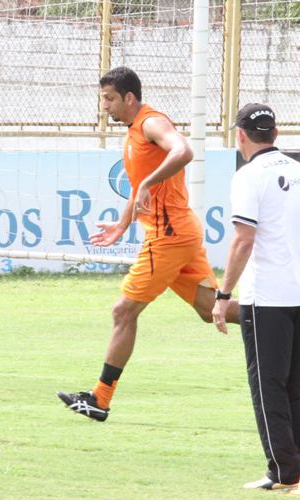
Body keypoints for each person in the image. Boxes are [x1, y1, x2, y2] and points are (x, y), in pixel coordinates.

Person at [56, 66, 240, 421]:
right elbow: (142, 186)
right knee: (209, 310)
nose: (105, 106)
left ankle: (100, 398)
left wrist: (145, 184)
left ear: (129, 97)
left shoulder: (151, 123)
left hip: (169, 236)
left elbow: (183, 151)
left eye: (109, 99)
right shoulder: (133, 133)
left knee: (123, 312)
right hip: (178, 233)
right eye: (102, 99)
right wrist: (122, 225)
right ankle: (293, 325)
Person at [212, 103, 300, 490]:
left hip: (268, 295)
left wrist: (223, 295)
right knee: (294, 385)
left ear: (240, 135)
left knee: (267, 385)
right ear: (275, 134)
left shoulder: (248, 176)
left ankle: (283, 470)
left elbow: (243, 241)